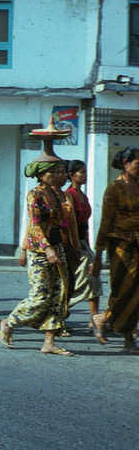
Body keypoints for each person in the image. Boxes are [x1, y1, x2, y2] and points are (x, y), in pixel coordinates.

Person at [0, 156, 76, 355]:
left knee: (59, 295)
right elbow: (35, 225)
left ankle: (49, 342)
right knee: (40, 296)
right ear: (42, 175)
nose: (60, 175)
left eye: (61, 171)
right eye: (55, 172)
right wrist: (47, 249)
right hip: (40, 250)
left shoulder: (61, 195)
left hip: (58, 248)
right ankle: (8, 323)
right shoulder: (36, 194)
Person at [92, 147, 139, 354]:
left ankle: (127, 338)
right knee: (123, 289)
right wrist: (98, 252)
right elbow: (106, 222)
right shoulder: (114, 189)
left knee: (136, 292)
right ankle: (105, 319)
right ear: (126, 163)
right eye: (138, 164)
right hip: (120, 246)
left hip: (137, 244)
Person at [63, 160, 103, 339]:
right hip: (73, 243)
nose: (85, 175)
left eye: (86, 172)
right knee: (75, 282)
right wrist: (75, 247)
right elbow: (69, 223)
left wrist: (86, 244)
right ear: (72, 175)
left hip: (83, 242)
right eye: (81, 172)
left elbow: (85, 223)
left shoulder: (82, 196)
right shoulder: (68, 195)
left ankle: (94, 318)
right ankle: (58, 315)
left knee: (93, 277)